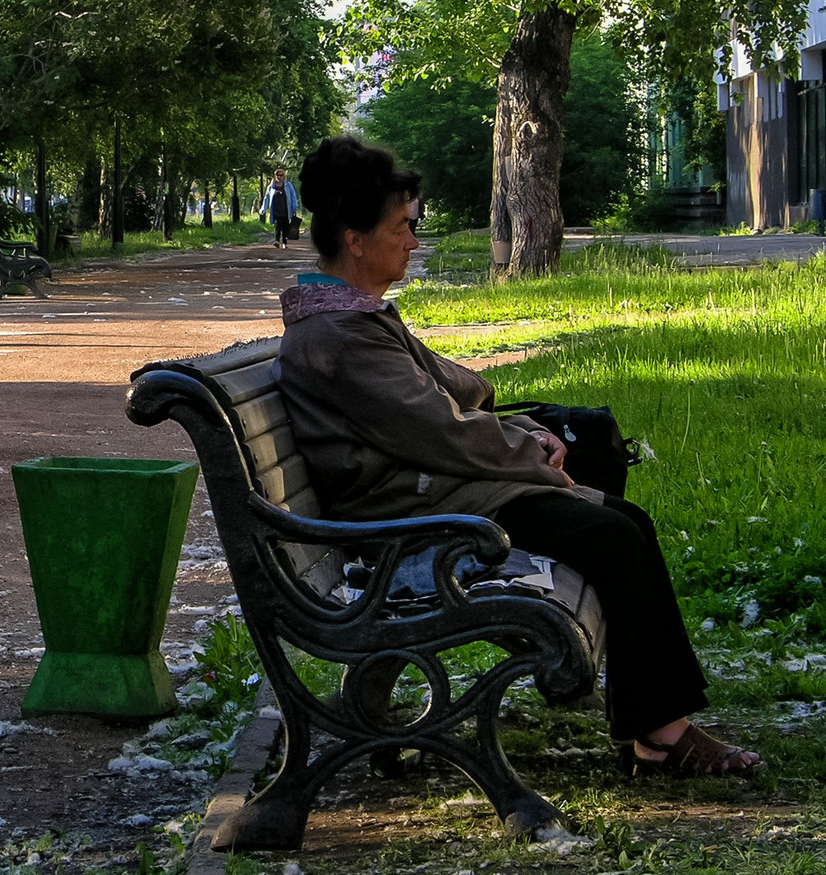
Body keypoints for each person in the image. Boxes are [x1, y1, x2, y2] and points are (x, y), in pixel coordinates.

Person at [272, 134, 762, 778]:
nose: (414, 243)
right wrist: (534, 456)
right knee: (616, 534)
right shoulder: (338, 336)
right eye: (402, 229)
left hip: (431, 489)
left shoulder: (352, 319)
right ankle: (660, 732)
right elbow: (440, 429)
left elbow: (454, 396)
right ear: (354, 238)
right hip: (411, 515)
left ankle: (654, 725)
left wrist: (527, 430)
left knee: (610, 499)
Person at [259, 168, 299, 248]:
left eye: (281, 175)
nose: (279, 177)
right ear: (275, 176)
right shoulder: (271, 187)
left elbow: (293, 196)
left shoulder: (288, 186)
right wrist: (263, 209)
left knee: (285, 226)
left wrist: (294, 207)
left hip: (286, 209)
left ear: (284, 176)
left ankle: (284, 243)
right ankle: (277, 241)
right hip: (276, 210)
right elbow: (267, 198)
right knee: (277, 225)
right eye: (277, 175)